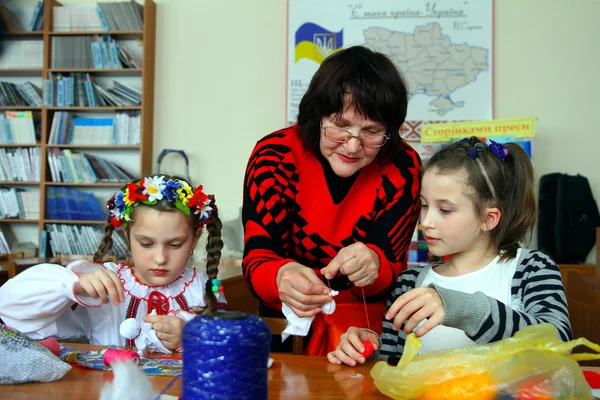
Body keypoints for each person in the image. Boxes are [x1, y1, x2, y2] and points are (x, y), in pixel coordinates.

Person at [328, 137, 572, 366]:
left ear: (489, 219)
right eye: (424, 205)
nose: (427, 222)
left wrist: (460, 309)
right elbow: (394, 362)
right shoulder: (410, 283)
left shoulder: (532, 268)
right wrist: (369, 348)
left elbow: (559, 344)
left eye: (445, 210)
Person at [242, 45, 421, 355]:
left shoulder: (403, 167)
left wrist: (375, 265)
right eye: (340, 125)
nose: (353, 145)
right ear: (317, 115)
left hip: (363, 329)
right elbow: (258, 258)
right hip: (285, 321)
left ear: (390, 132)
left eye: (371, 131)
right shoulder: (274, 157)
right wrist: (279, 275)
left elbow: (393, 269)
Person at [0, 175, 226, 351]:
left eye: (175, 244)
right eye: (146, 244)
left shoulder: (205, 286)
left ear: (195, 238)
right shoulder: (103, 282)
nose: (160, 258)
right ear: (127, 236)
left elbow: (230, 346)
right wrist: (69, 284)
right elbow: (8, 308)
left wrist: (191, 336)